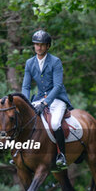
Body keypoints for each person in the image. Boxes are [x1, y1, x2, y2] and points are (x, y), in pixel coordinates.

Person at [22, 29, 73, 169]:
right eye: (36, 44)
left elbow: (57, 86)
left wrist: (45, 103)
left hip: (57, 98)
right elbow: (26, 86)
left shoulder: (55, 62)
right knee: (25, 120)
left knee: (55, 123)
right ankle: (20, 153)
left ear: (48, 46)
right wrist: (26, 103)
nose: (39, 47)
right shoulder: (29, 63)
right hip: (38, 99)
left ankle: (61, 155)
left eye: (42, 44)